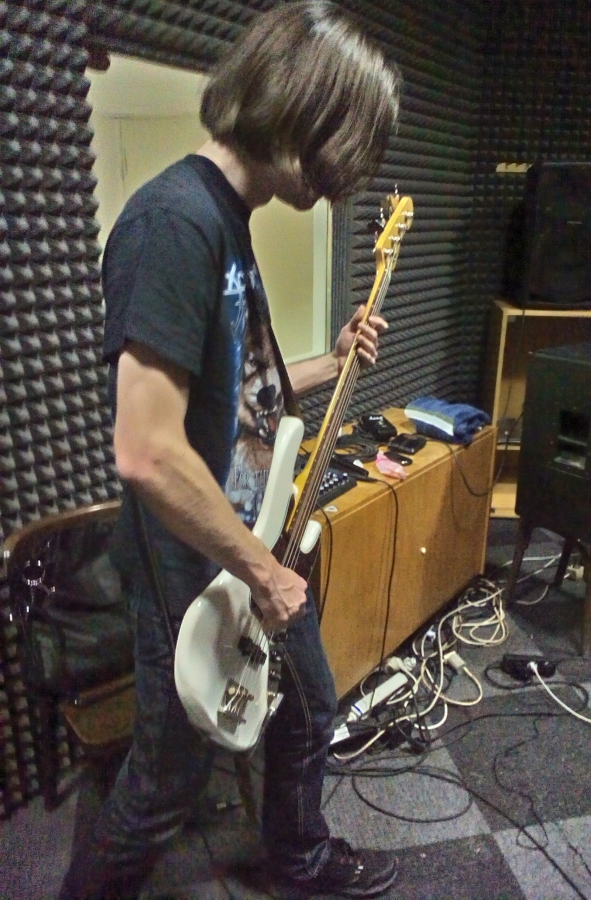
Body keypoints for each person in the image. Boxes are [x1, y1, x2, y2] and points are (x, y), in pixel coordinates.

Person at [58, 2, 401, 899]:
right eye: (338, 147)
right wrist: (262, 571)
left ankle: (297, 858)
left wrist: (332, 358)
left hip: (248, 545)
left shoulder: (225, 219)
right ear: (298, 110)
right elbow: (146, 450)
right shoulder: (173, 224)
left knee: (308, 706)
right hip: (192, 566)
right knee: (162, 789)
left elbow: (241, 392)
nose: (336, 181)